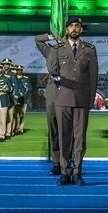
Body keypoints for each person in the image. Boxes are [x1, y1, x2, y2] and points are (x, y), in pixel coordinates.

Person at [49, 16, 99, 185]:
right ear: (67, 29)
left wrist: (90, 100)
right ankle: (64, 172)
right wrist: (66, 85)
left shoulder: (90, 49)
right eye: (71, 26)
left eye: (77, 26)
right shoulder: (57, 49)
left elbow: (93, 77)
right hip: (63, 98)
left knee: (80, 138)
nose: (74, 29)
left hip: (82, 100)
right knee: (64, 137)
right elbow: (53, 73)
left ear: (81, 29)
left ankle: (77, 171)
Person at [33, 32, 62, 173]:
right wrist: (52, 36)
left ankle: (68, 160)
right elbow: (37, 40)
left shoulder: (75, 52)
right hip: (52, 93)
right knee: (54, 129)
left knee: (69, 130)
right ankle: (56, 162)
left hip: (68, 93)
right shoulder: (51, 51)